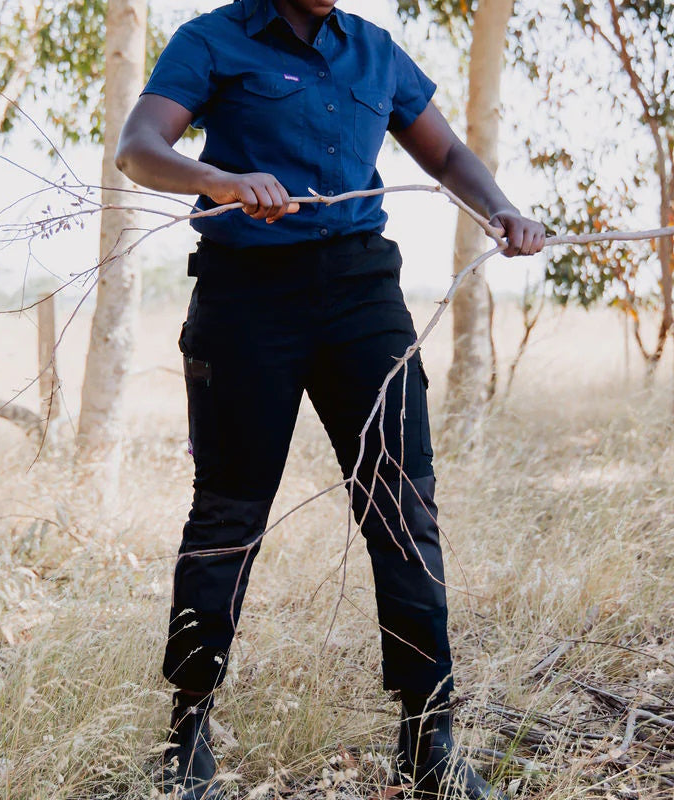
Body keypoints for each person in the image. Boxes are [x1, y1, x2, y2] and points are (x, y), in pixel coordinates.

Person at [115, 1, 545, 797]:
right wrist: (219, 180)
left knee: (402, 504)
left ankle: (428, 739)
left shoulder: (375, 51)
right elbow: (138, 150)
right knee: (227, 512)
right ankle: (187, 733)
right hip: (245, 300)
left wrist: (501, 208)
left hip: (361, 296)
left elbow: (445, 151)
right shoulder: (211, 40)